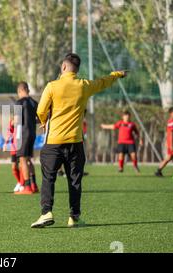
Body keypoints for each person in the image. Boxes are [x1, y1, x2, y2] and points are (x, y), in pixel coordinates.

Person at [31, 53, 127, 228]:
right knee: (75, 180)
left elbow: (40, 110)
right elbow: (102, 82)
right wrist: (116, 74)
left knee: (48, 178)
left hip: (54, 142)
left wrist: (44, 122)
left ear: (64, 67)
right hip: (75, 142)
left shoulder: (52, 86)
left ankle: (46, 213)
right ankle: (74, 217)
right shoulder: (84, 85)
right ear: (77, 69)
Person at [14, 82, 39, 195]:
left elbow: (17, 120)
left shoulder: (20, 102)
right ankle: (34, 185)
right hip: (32, 133)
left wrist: (11, 121)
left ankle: (27, 187)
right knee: (28, 159)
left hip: (23, 133)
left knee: (23, 159)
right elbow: (40, 119)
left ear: (20, 91)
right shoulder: (34, 103)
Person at [155, 106, 173, 177]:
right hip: (172, 143)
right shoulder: (171, 122)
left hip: (172, 143)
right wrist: (171, 145)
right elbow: (171, 134)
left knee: (169, 158)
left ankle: (158, 171)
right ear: (171, 113)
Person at [3, 117, 24, 192]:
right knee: (14, 167)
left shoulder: (23, 122)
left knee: (22, 166)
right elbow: (9, 134)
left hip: (21, 147)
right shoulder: (12, 123)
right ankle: (19, 182)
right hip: (13, 149)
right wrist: (5, 144)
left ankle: (22, 184)